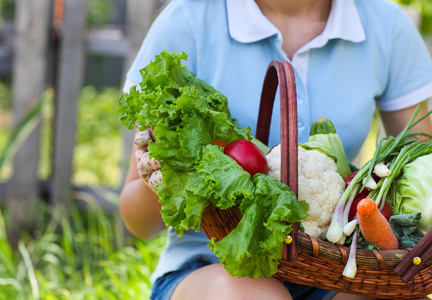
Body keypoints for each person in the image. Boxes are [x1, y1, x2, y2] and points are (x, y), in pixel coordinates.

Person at [119, 0, 432, 299]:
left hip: (337, 268)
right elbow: (138, 224)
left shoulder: (385, 25)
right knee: (253, 295)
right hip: (211, 268)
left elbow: (422, 173)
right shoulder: (189, 19)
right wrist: (170, 172)